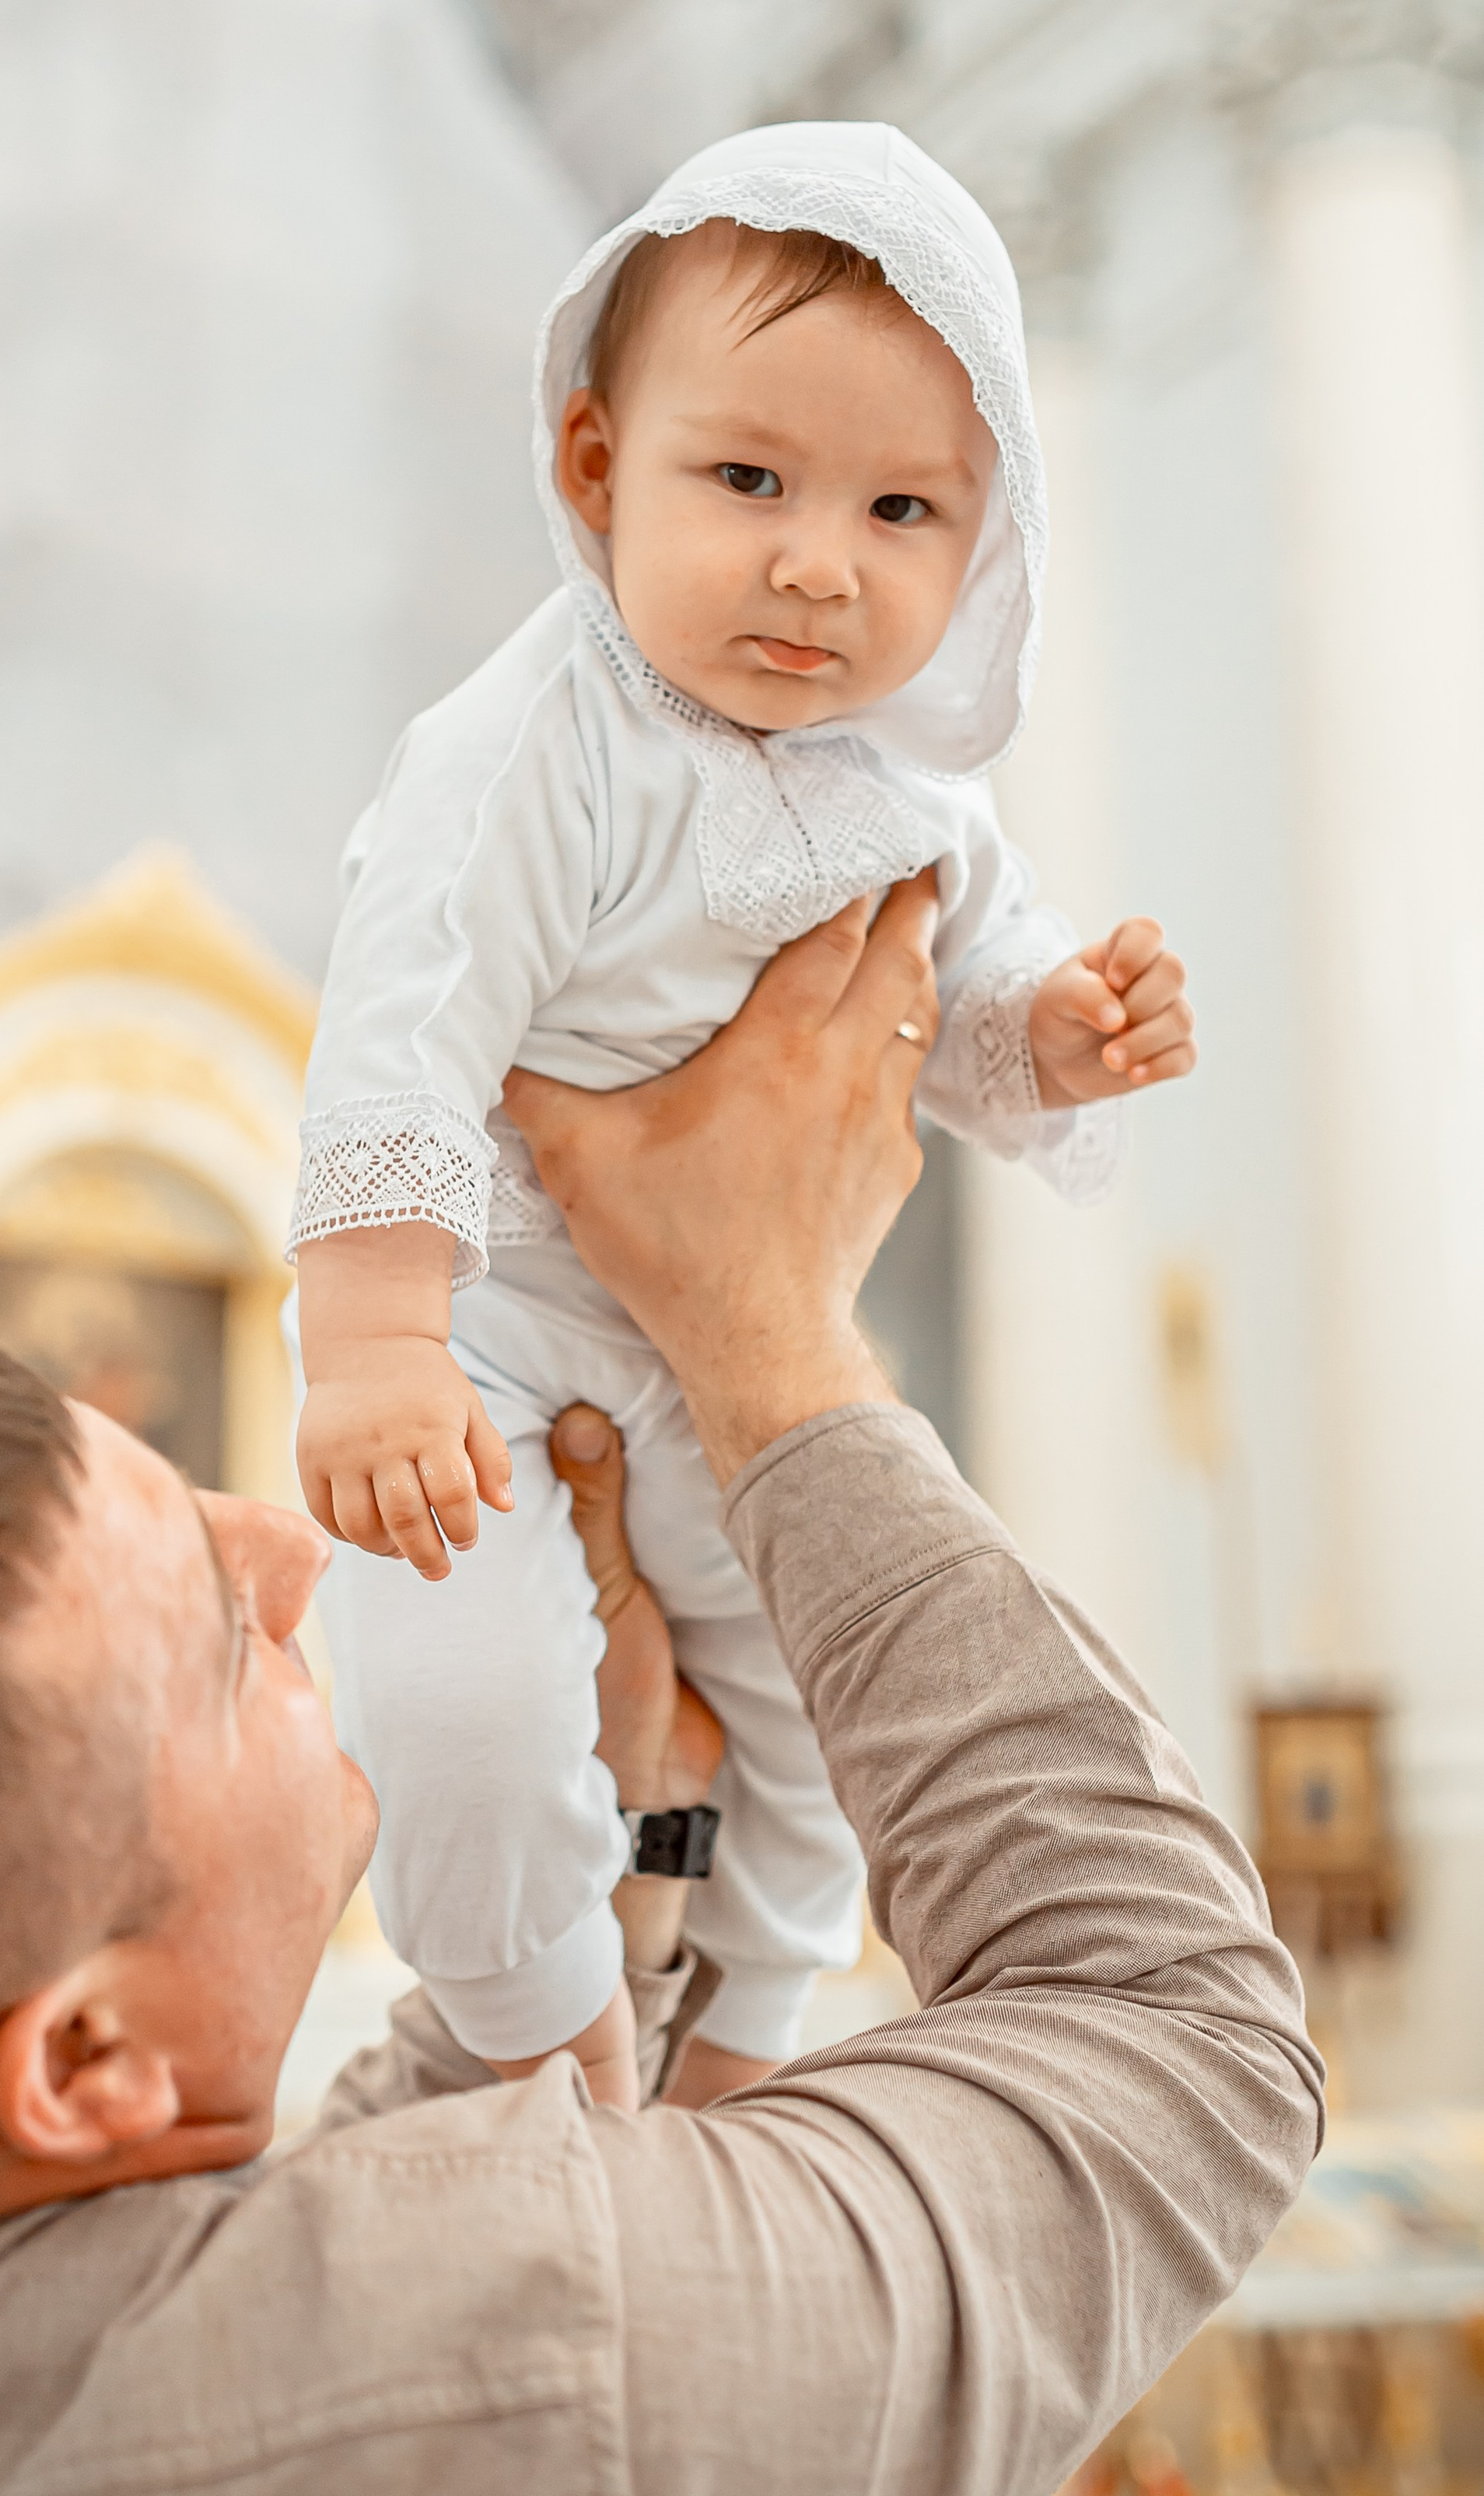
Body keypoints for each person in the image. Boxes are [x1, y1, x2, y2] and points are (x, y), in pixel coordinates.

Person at [0, 878, 1315, 2495]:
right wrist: (767, 1335)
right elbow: (1178, 2033)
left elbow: (259, 2259)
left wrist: (617, 1821)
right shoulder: (526, 2358)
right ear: (80, 2054)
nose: (291, 1549)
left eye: (197, 1498)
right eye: (219, 1635)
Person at [290, 119, 1198, 2110]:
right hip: (497, 1314)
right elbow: (409, 1022)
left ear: (984, 546)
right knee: (451, 1674)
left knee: (811, 1690)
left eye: (899, 509)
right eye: (746, 479)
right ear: (599, 464)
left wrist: (1047, 1031)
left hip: (737, 1357)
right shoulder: (538, 736)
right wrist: (369, 1345)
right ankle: (540, 2007)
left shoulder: (916, 790)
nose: (815, 561)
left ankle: (761, 2013)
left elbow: (953, 998)